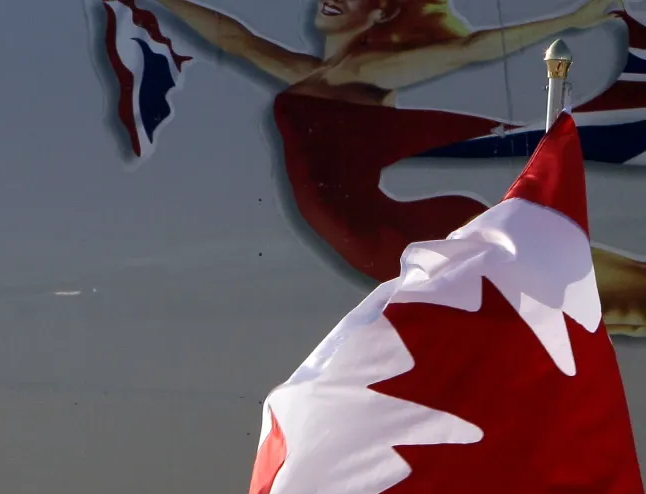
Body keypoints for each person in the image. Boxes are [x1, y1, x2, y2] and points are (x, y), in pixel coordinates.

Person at [150, 0, 646, 334]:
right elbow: (234, 38)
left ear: (383, 10)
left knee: (588, 295)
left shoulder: (370, 70)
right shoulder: (315, 74)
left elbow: (469, 50)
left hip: (391, 236)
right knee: (574, 296)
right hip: (378, 238)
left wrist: (571, 18)